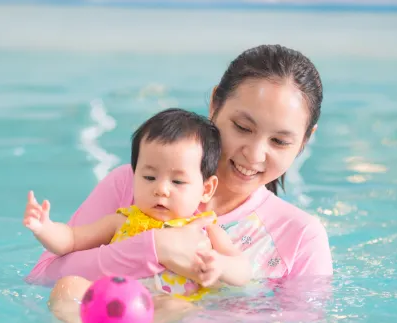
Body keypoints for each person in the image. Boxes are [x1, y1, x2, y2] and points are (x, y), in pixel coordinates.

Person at [26, 44, 333, 323]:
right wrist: (153, 249)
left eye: (279, 141)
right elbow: (42, 278)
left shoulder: (301, 237)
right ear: (215, 103)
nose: (254, 154)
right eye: (242, 127)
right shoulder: (132, 184)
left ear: (306, 139)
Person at [23, 109, 252, 294]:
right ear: (134, 177)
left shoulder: (205, 229)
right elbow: (71, 240)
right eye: (149, 177)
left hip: (169, 308)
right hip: (115, 300)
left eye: (178, 181)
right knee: (68, 287)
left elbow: (243, 271)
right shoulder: (122, 220)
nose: (161, 189)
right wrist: (44, 228)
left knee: (174, 306)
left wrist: (219, 265)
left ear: (206, 189)